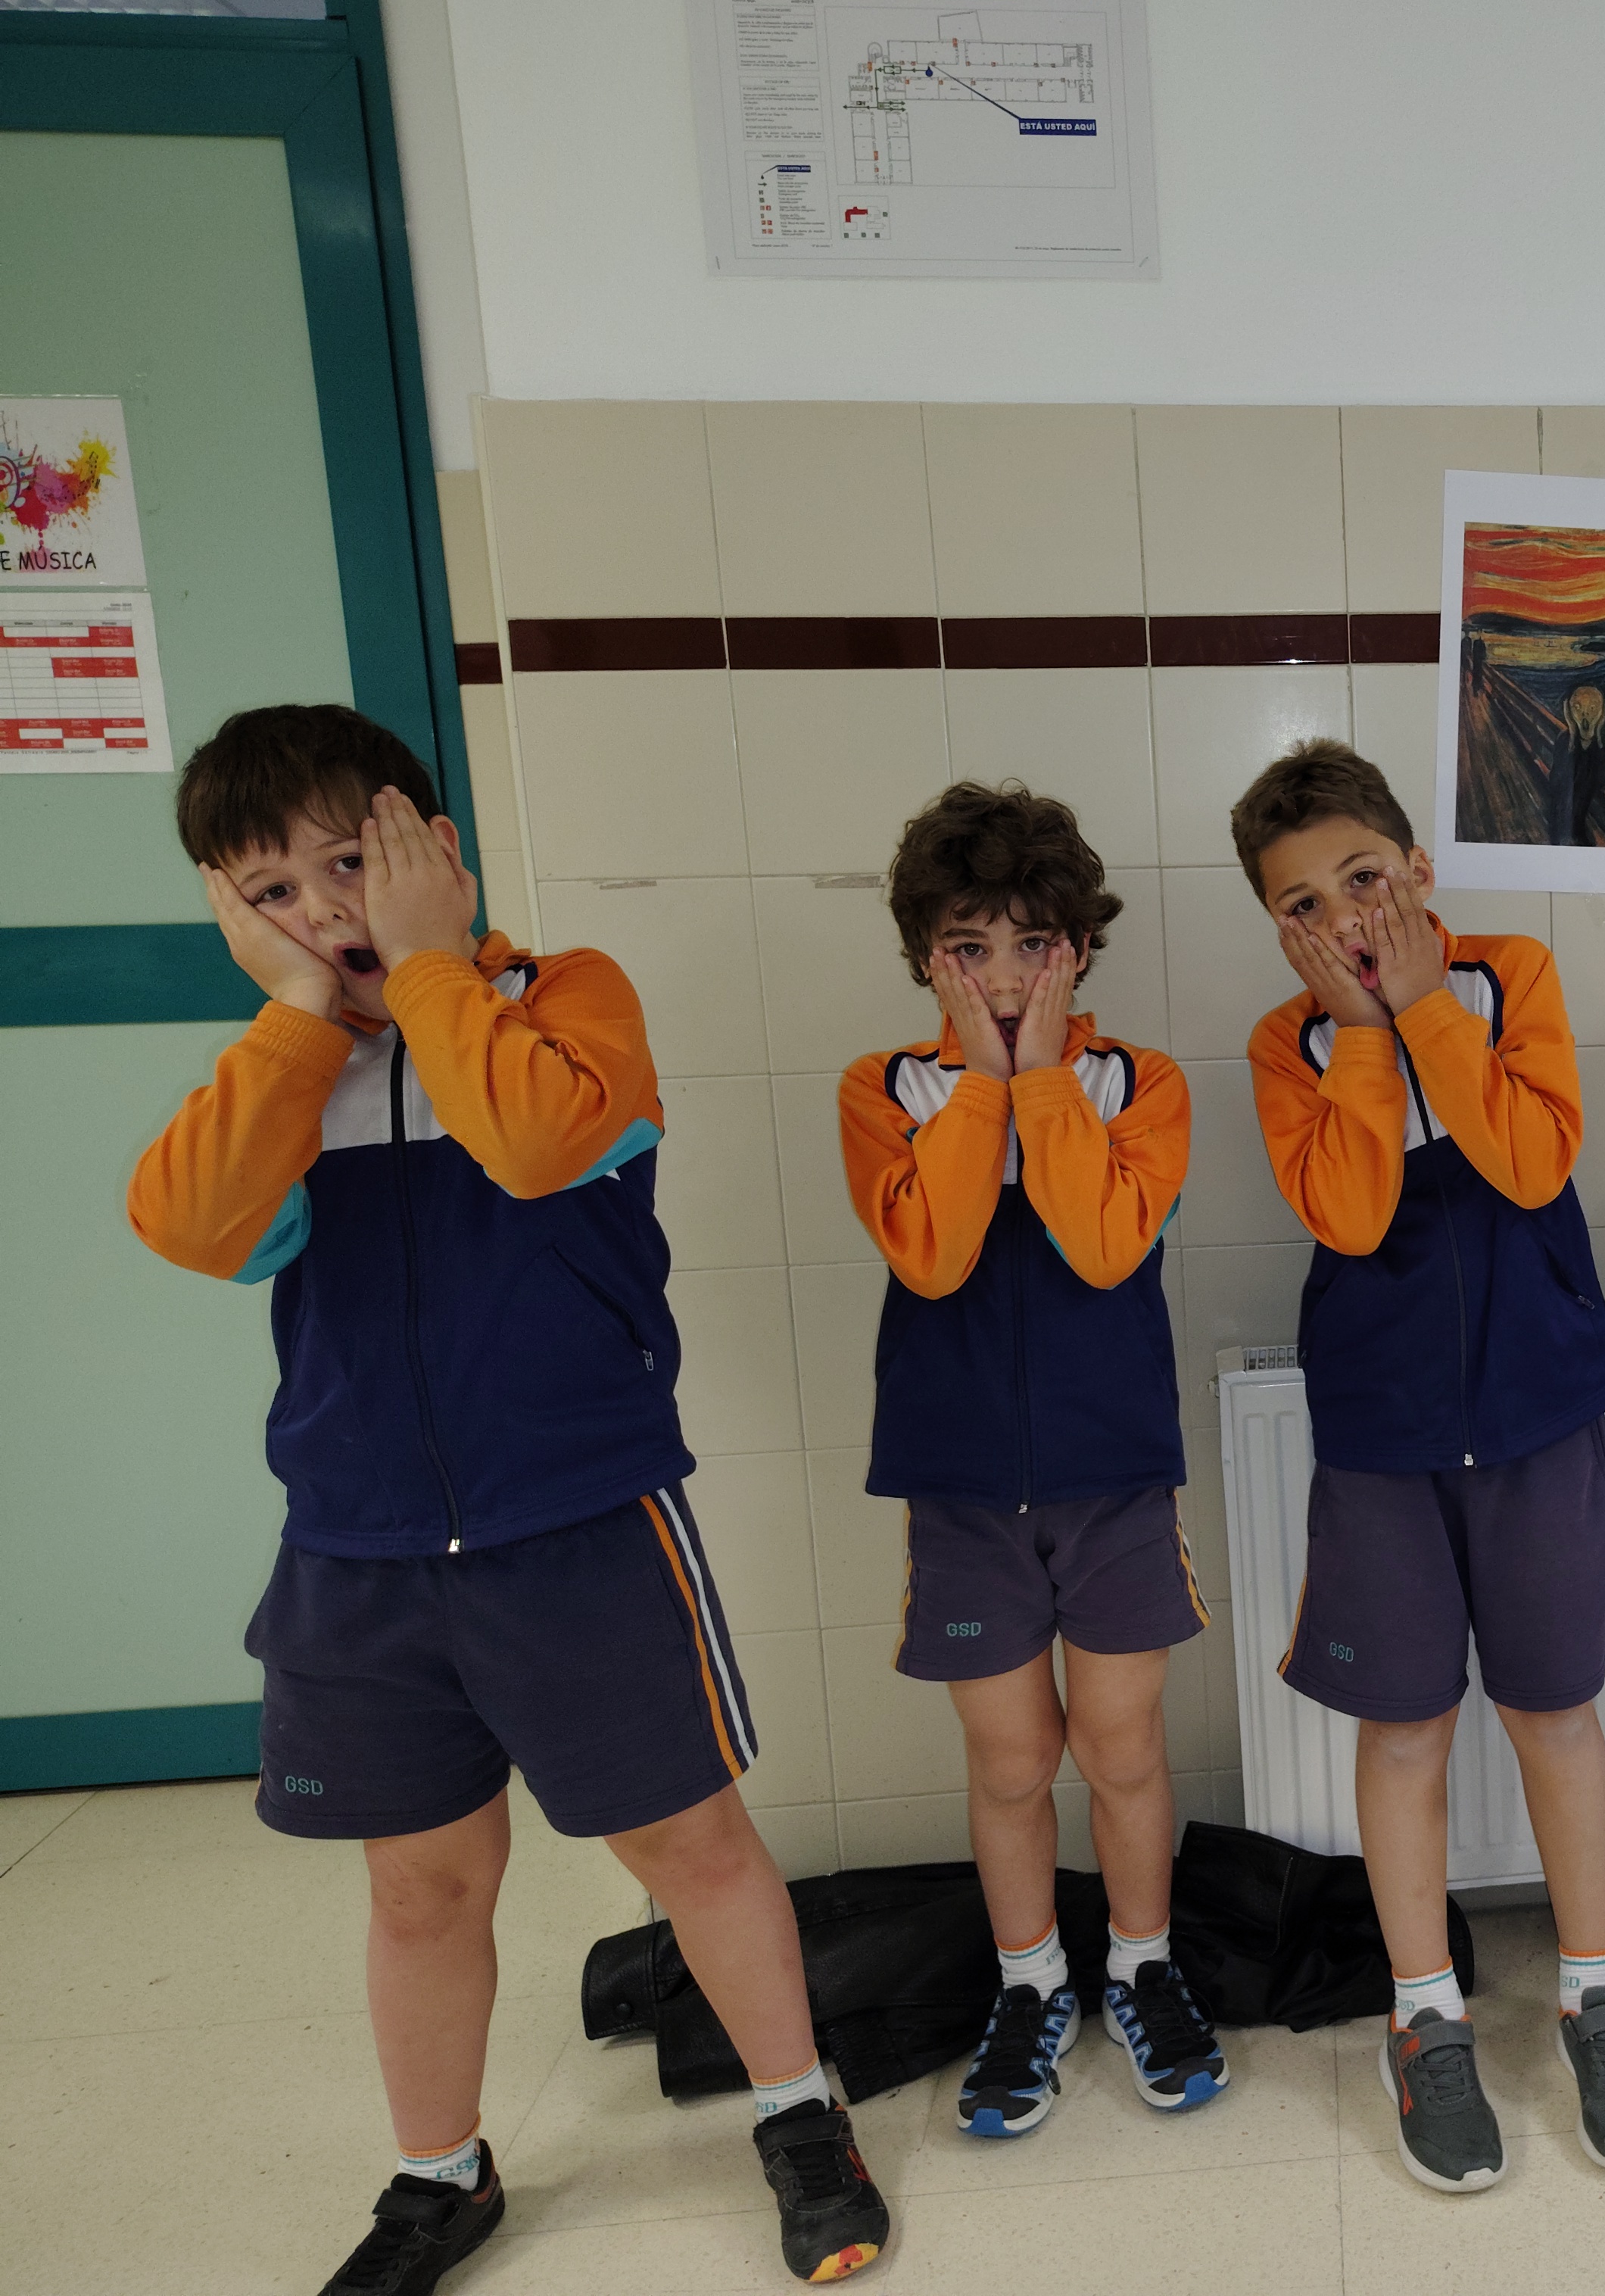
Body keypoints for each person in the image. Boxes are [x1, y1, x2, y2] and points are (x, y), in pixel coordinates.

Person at [127, 705, 888, 2291]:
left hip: (581, 1527)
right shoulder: (286, 1072)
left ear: (434, 851)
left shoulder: (562, 1002)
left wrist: (427, 970)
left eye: (349, 864)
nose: (323, 912)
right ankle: (440, 2172)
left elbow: (542, 1146)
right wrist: (297, 1017)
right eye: (271, 893)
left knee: (686, 1842)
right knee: (418, 1882)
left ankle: (799, 2112)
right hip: (357, 1548)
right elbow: (192, 1229)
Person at [1233, 739, 1605, 2191]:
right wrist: (1362, 1031)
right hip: (1384, 1441)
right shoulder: (1286, 1046)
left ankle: (1597, 1995)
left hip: (1540, 1420)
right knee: (1406, 1727)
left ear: (1420, 872)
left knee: (1556, 1712)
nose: (1344, 920)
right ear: (1278, 931)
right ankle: (1424, 2017)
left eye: (1363, 880)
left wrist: (1426, 1009)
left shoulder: (1509, 977)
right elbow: (1354, 1216)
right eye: (1302, 907)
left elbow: (1533, 1164)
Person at [838, 781, 1225, 2142]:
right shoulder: (886, 1090)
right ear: (923, 958)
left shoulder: (1140, 1084)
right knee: (1011, 1761)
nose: (1003, 980)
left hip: (1114, 1481)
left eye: (1031, 946)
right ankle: (1029, 1984)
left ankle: (1143, 1966)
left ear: (1079, 948)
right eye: (968, 948)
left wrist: (1043, 1082)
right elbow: (934, 1257)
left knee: (1120, 1746)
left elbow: (1105, 1247)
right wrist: (982, 1090)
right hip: (959, 1490)